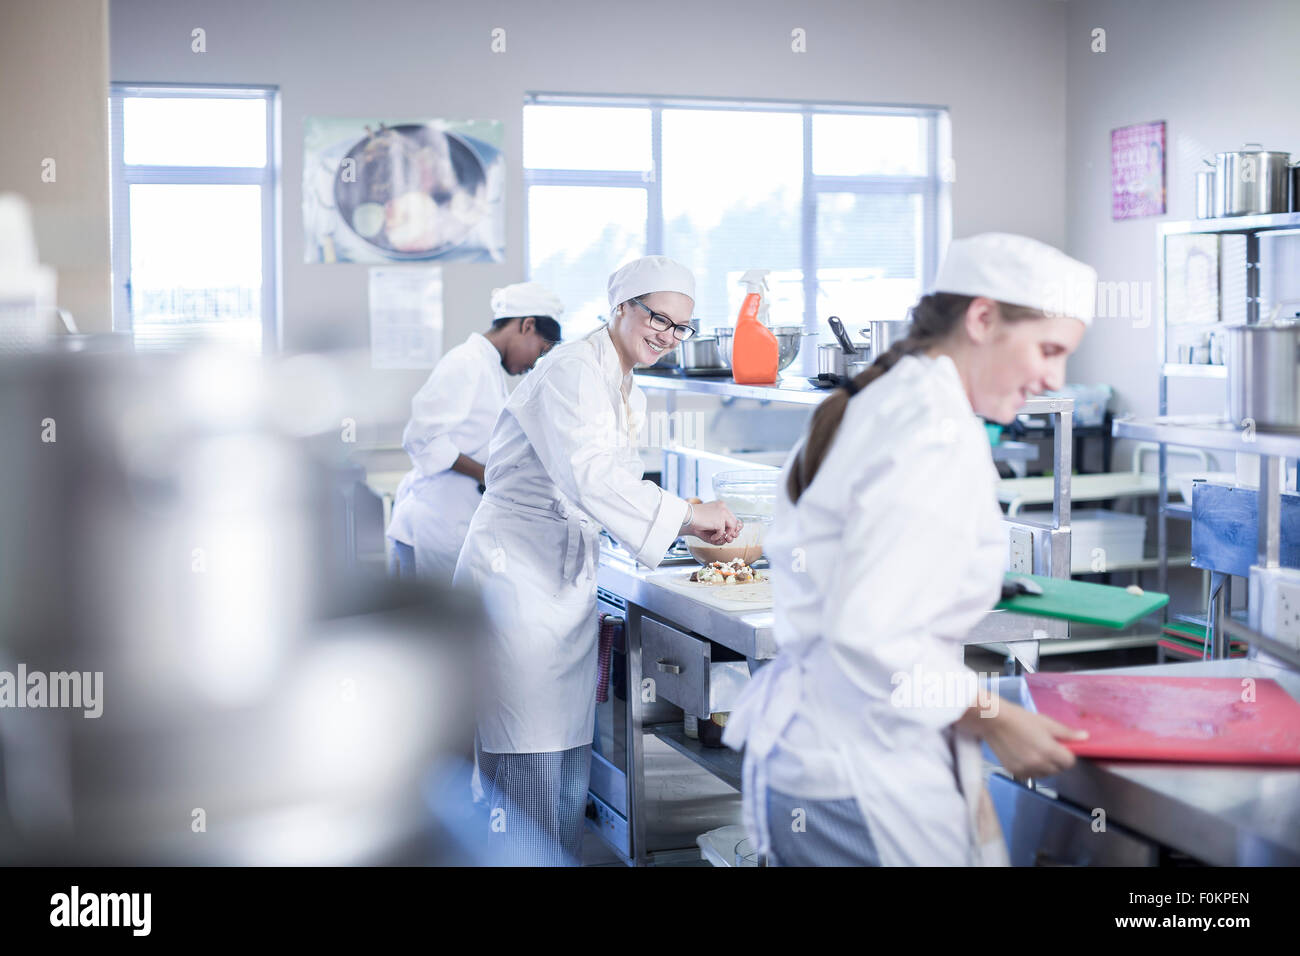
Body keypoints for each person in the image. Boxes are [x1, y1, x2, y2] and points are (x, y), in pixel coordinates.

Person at [723, 233, 1097, 866]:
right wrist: (996, 719)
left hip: (828, 757)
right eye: (1048, 350)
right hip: (858, 774)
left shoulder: (903, 399)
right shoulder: (932, 427)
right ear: (983, 318)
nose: (1053, 379)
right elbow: (871, 637)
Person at [454, 255, 742, 865]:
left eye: (681, 326)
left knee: (550, 776)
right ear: (621, 307)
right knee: (529, 775)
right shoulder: (575, 370)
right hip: (520, 588)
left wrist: (676, 511)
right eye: (657, 317)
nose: (667, 334)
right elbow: (590, 477)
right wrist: (689, 514)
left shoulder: (614, 376)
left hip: (550, 584)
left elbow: (599, 480)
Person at [387, 282, 563, 585]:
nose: (534, 364)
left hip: (451, 524)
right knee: (429, 629)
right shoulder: (466, 361)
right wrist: (487, 474)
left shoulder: (489, 367)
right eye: (541, 350)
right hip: (432, 524)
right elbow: (420, 437)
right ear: (527, 325)